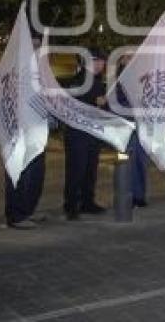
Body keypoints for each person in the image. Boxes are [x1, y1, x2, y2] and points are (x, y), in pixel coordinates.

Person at [4, 34, 48, 229]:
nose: (37, 51)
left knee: (36, 176)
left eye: (39, 47)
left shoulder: (40, 76)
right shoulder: (15, 75)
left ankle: (28, 210)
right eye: (34, 47)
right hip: (19, 136)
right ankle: (16, 215)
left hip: (38, 135)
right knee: (20, 176)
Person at [62, 49, 109, 220]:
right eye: (96, 61)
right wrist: (94, 101)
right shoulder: (78, 80)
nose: (100, 65)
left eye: (102, 61)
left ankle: (88, 202)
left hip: (92, 133)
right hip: (77, 134)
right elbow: (72, 102)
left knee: (90, 169)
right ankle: (71, 206)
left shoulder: (97, 81)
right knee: (76, 170)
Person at [114, 53, 150, 208]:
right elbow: (115, 105)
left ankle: (139, 195)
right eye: (127, 57)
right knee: (126, 162)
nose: (130, 59)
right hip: (126, 128)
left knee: (141, 162)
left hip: (141, 127)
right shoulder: (115, 82)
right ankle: (126, 194)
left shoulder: (141, 79)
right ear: (121, 61)